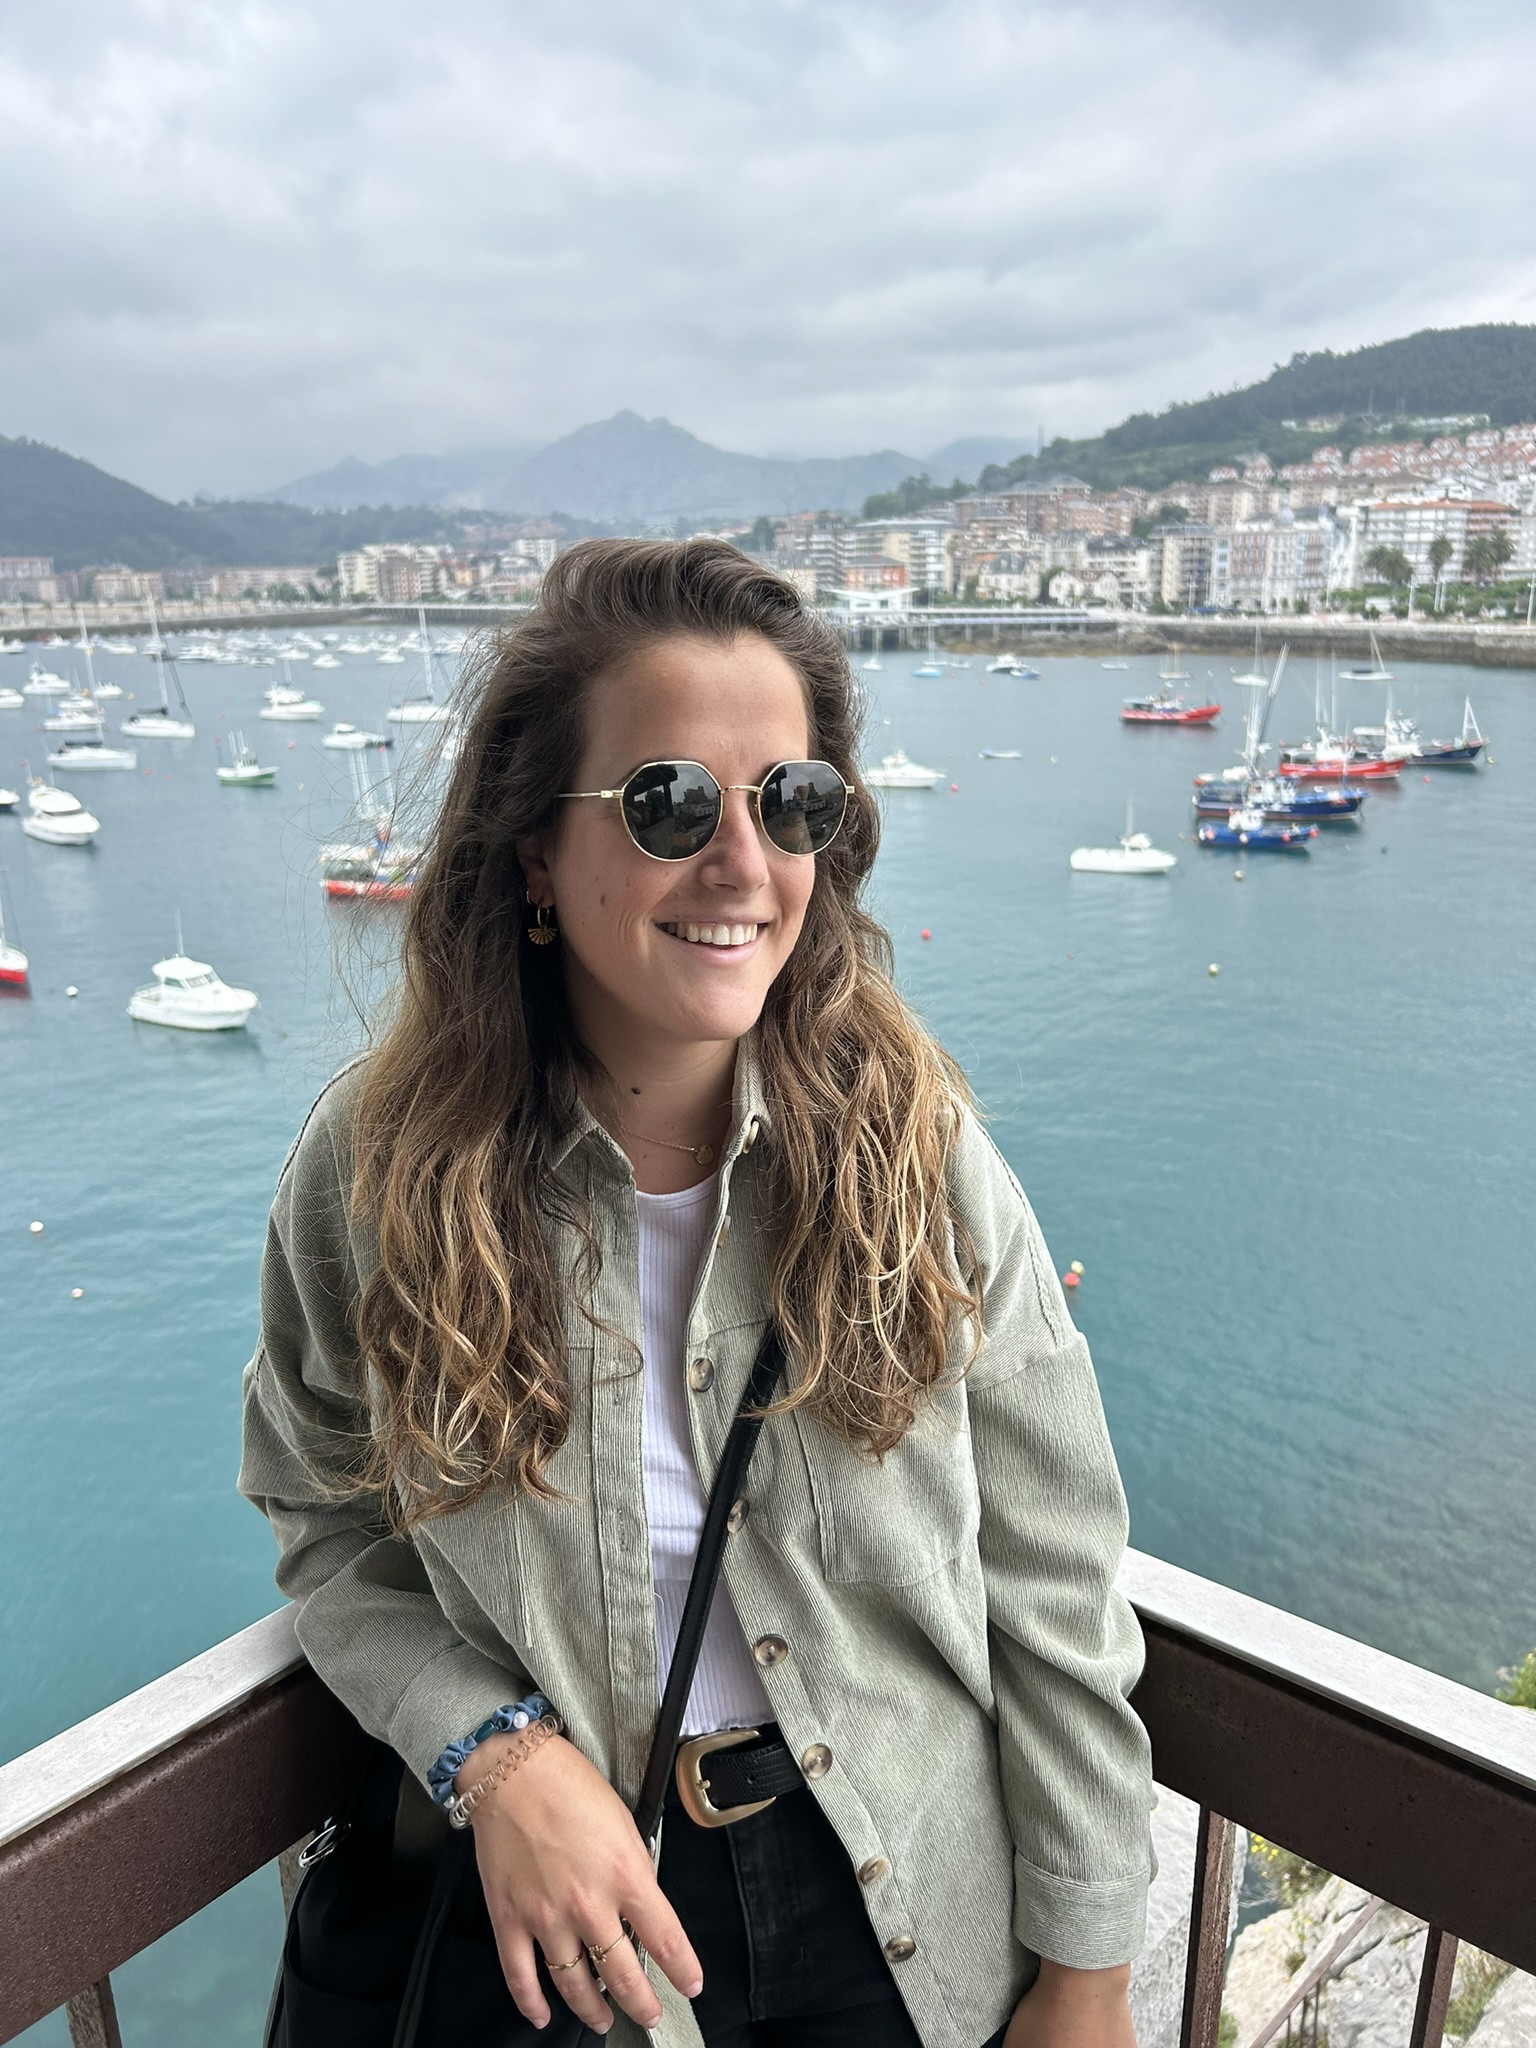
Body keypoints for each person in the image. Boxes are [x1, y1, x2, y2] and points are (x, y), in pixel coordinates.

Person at [241, 539, 1155, 2048]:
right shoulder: (377, 1169)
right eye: (668, 803)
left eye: (791, 803)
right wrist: (491, 1752)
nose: (743, 863)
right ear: (534, 853)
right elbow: (326, 1523)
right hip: (564, 1919)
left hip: (906, 1912)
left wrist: (1088, 1972)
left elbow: (1054, 1577)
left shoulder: (916, 1153)